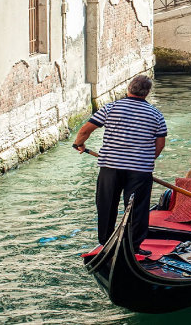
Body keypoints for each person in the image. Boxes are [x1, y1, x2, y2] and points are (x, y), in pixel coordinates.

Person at [73, 75, 167, 255]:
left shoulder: (111, 108)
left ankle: (106, 243)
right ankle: (134, 247)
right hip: (140, 170)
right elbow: (160, 144)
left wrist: (79, 144)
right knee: (137, 209)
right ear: (147, 93)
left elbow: (85, 130)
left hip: (110, 167)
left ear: (128, 89)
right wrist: (145, 160)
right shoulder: (156, 114)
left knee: (107, 204)